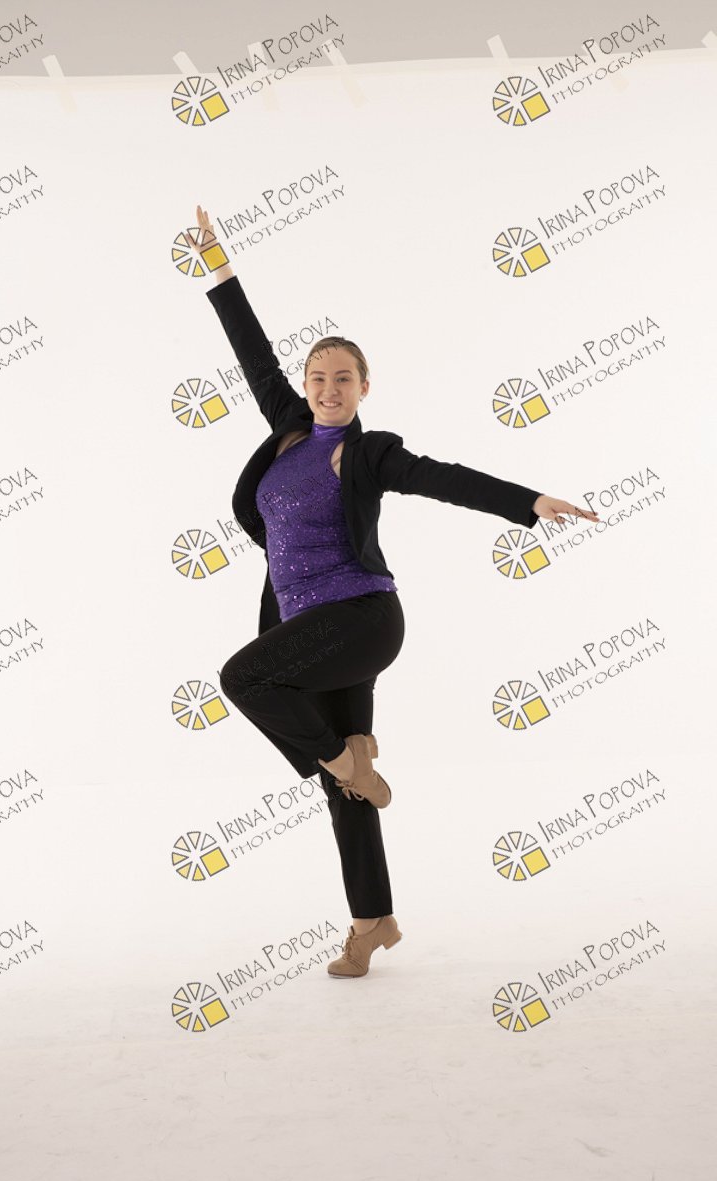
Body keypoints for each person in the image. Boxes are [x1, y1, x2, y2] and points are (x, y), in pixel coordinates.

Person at [183, 205, 599, 979]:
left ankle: (345, 759)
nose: (328, 388)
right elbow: (252, 353)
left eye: (343, 378)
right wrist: (220, 268)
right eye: (318, 377)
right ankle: (372, 921)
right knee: (346, 792)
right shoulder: (289, 431)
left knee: (243, 678)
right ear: (305, 386)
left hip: (363, 619)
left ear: (364, 386)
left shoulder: (369, 452)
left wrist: (528, 501)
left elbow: (444, 478)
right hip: (311, 630)